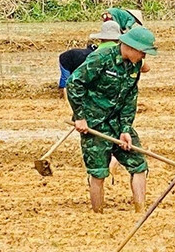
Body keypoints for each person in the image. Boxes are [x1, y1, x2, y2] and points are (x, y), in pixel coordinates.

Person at [68, 26, 159, 214]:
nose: (143, 57)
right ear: (130, 47)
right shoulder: (100, 58)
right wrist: (80, 117)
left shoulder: (135, 66)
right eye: (142, 52)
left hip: (118, 122)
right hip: (94, 123)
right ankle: (98, 215)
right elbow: (74, 83)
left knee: (139, 164)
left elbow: (130, 96)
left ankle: (140, 212)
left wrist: (126, 128)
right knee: (98, 171)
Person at [57, 20, 122, 91]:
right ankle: (61, 90)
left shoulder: (99, 52)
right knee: (66, 81)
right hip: (66, 60)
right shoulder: (96, 56)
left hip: (76, 60)